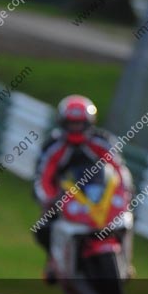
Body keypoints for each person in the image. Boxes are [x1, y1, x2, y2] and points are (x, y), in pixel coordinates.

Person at [33, 95, 131, 282]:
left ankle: (126, 263)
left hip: (99, 195)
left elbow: (119, 169)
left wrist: (126, 190)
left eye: (79, 124)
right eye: (71, 124)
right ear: (63, 123)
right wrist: (49, 199)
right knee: (43, 227)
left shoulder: (102, 141)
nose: (75, 128)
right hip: (65, 198)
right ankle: (53, 263)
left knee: (126, 220)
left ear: (88, 123)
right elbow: (43, 177)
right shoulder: (54, 146)